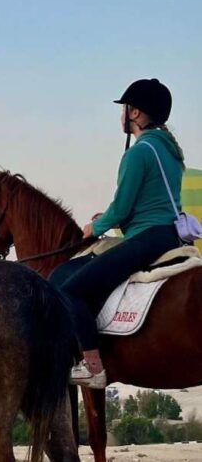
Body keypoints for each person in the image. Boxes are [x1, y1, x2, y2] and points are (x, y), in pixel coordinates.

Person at [50, 79, 185, 388]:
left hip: (146, 238)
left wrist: (94, 227)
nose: (121, 115)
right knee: (72, 271)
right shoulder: (170, 151)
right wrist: (110, 218)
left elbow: (122, 208)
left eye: (124, 109)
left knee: (69, 289)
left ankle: (92, 366)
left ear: (135, 112)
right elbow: (148, 203)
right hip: (167, 235)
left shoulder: (138, 153)